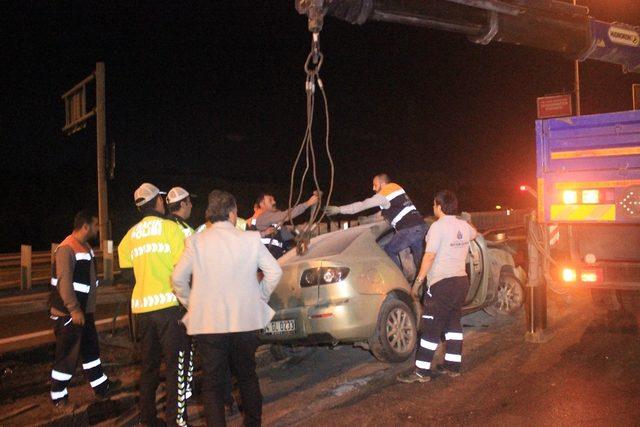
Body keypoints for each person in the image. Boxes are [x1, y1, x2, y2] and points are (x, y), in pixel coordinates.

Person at [172, 190, 283, 427]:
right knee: (247, 376)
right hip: (245, 321)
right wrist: (260, 297)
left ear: (210, 216)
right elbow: (275, 272)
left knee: (212, 384)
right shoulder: (250, 239)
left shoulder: (195, 242)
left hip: (209, 324)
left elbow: (178, 279)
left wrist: (192, 304)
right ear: (233, 214)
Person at [118, 183, 190, 427]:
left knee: (148, 367)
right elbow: (183, 270)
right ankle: (176, 422)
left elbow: (127, 271)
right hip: (170, 309)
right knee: (176, 368)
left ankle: (147, 419)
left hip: (142, 312)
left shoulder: (130, 235)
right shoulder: (171, 229)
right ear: (159, 202)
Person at [397, 190, 477, 383]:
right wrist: (463, 221)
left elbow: (429, 256)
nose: (433, 208)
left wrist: (418, 282)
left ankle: (421, 371)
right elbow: (474, 234)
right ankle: (452, 366)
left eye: (434, 204)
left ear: (439, 206)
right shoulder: (464, 226)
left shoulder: (437, 227)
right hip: (460, 282)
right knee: (453, 324)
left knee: (430, 328)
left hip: (442, 284)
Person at [49, 210, 118, 409]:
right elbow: (64, 283)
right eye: (96, 226)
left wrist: (84, 310)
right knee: (67, 355)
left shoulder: (85, 247)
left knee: (91, 351)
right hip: (70, 314)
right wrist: (74, 309)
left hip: (84, 312)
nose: (98, 229)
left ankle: (101, 386)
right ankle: (58, 395)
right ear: (86, 226)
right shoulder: (67, 248)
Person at [325, 173, 427, 274]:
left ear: (382, 184)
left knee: (389, 250)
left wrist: (339, 209)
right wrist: (367, 219)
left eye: (375, 185)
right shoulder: (396, 188)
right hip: (421, 226)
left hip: (408, 230)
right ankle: (425, 285)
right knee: (421, 263)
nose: (373, 188)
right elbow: (383, 213)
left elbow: (362, 205)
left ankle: (398, 276)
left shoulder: (384, 194)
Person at [247, 191, 318, 258]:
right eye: (270, 200)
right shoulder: (263, 217)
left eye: (274, 200)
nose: (274, 202)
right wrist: (308, 203)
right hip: (268, 265)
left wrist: (302, 235)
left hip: (276, 262)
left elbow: (290, 237)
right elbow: (286, 215)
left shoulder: (275, 226)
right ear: (262, 204)